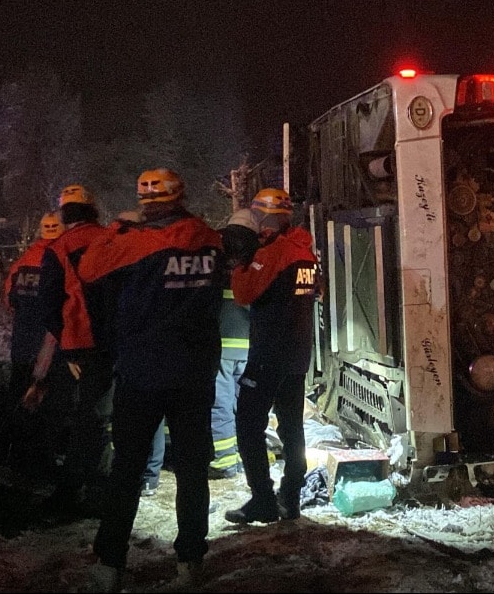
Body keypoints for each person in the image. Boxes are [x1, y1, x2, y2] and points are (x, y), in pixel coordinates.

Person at [77, 168, 224, 591]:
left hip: (143, 372)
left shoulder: (133, 243)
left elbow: (88, 268)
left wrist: (118, 226)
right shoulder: (210, 239)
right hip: (195, 372)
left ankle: (109, 564)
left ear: (144, 203)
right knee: (194, 469)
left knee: (127, 468)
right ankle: (191, 561)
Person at [224, 188, 318, 524]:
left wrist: (239, 263)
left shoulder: (275, 252)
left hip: (269, 354)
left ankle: (263, 499)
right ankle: (290, 497)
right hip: (296, 356)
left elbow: (243, 293)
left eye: (257, 216)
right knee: (292, 430)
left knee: (248, 424)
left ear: (268, 216)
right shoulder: (305, 250)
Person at [29, 184, 114, 516]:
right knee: (105, 416)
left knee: (86, 419)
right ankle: (101, 486)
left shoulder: (59, 248)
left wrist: (67, 345)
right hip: (118, 342)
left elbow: (48, 305)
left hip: (80, 345)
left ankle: (76, 492)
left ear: (64, 214)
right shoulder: (112, 239)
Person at [2, 212, 68, 468]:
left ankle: (12, 448)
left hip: (23, 342)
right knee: (48, 402)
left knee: (18, 393)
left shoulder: (25, 259)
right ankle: (41, 456)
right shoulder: (63, 257)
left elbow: (9, 298)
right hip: (50, 345)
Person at [209, 209, 261, 480]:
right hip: (251, 348)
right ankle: (244, 455)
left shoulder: (217, 261)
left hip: (223, 347)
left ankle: (225, 461)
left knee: (221, 404)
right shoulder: (260, 261)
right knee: (246, 406)